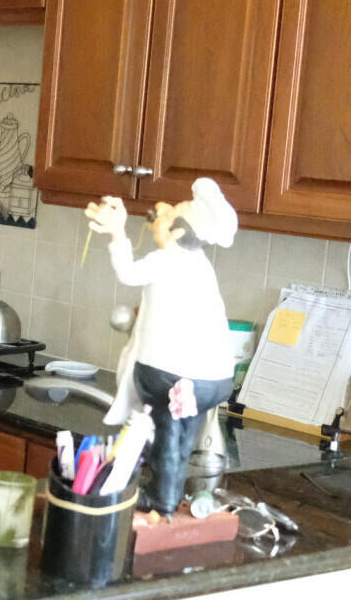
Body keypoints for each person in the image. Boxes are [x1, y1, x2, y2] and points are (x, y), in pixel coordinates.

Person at [84, 178, 240, 513]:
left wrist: (116, 232)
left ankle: (163, 499)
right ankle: (169, 488)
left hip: (172, 375)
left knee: (168, 436)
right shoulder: (201, 265)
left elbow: (127, 272)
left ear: (179, 233)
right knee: (183, 436)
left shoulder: (168, 258)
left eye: (167, 218)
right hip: (213, 379)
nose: (158, 217)